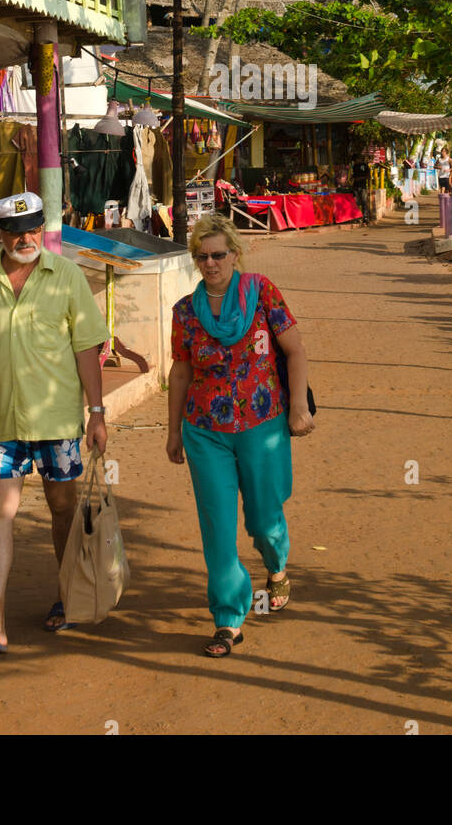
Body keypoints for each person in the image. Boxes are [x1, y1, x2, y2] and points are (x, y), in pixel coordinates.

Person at [0, 191, 110, 655]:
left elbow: (86, 347)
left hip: (57, 421)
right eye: (16, 231)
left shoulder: (67, 277)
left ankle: (68, 596)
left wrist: (97, 413)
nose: (26, 238)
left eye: (34, 228)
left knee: (63, 510)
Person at [167, 213, 314, 659]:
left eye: (218, 254)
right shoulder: (185, 312)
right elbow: (180, 371)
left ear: (235, 253)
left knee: (264, 519)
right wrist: (173, 430)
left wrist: (300, 408)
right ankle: (229, 620)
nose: (210, 263)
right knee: (217, 528)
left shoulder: (262, 292)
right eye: (202, 256)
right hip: (205, 431)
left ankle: (277, 565)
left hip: (263, 424)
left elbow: (294, 349)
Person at [351, 153, 371, 223]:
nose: (355, 161)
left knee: (364, 202)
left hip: (363, 186)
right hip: (355, 186)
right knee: (356, 202)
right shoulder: (354, 166)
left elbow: (368, 176)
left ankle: (365, 217)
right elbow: (353, 175)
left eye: (356, 160)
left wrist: (369, 188)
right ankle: (357, 217)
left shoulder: (365, 166)